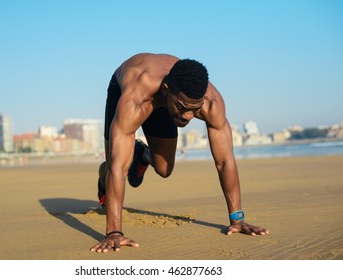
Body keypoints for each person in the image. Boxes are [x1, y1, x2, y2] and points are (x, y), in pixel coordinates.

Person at [90, 53, 269, 253]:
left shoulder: (212, 103)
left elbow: (225, 160)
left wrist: (237, 219)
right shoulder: (135, 100)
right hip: (128, 88)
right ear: (166, 91)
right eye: (184, 109)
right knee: (113, 165)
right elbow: (118, 169)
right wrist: (114, 233)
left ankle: (141, 154)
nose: (188, 118)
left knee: (164, 169)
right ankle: (103, 175)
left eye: (195, 109)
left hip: (166, 100)